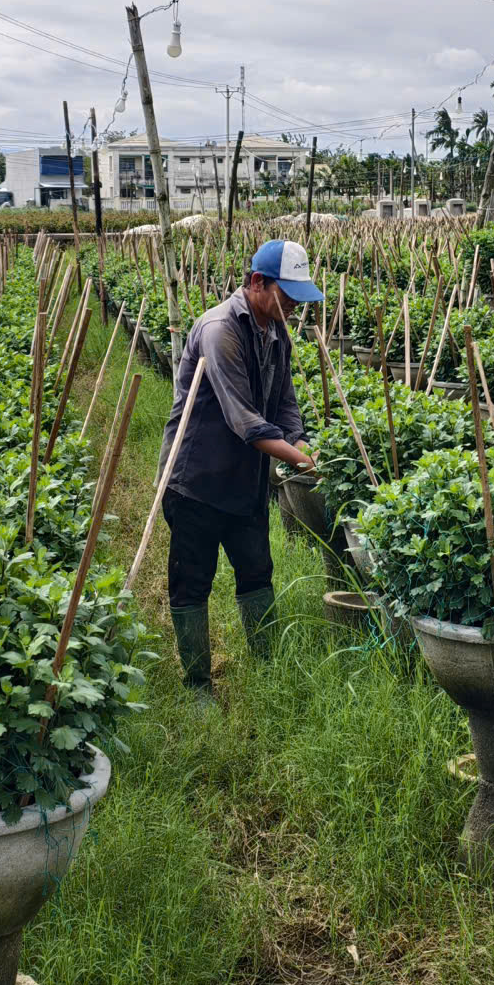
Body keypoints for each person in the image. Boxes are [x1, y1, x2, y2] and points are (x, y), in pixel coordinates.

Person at [159, 237, 321, 698]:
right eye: (287, 295)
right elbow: (243, 419)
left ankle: (268, 669)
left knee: (256, 571)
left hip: (246, 480)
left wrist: (300, 439)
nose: (293, 305)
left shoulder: (276, 331)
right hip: (197, 481)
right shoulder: (219, 330)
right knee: (192, 582)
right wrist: (298, 460)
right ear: (257, 283)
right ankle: (197, 687)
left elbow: (285, 404)